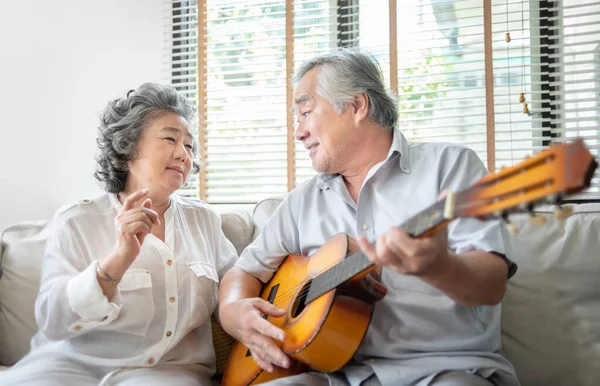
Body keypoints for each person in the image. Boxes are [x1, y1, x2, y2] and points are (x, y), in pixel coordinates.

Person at [218, 50, 520, 386]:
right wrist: (232, 312)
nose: (299, 131)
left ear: (357, 106)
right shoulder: (301, 201)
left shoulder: (451, 167)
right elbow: (245, 269)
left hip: (448, 370)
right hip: (334, 375)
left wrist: (438, 265)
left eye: (305, 112)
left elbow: (492, 284)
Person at [1, 83, 237, 386]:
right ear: (128, 146)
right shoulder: (76, 221)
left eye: (189, 146)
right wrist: (115, 262)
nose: (183, 154)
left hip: (168, 374)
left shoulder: (204, 221)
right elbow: (53, 321)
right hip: (68, 368)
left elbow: (238, 288)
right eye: (170, 139)